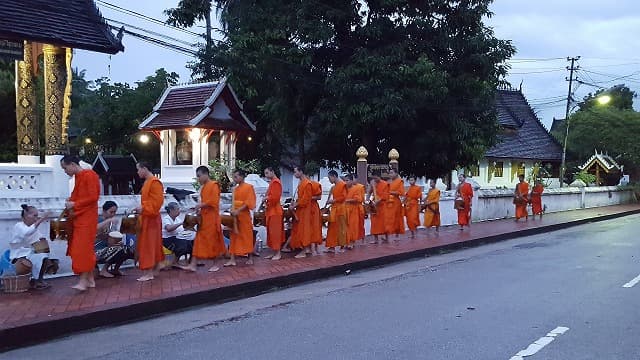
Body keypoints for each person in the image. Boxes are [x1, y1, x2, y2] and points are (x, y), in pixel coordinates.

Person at [61, 155, 100, 291]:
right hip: (79, 216)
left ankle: (83, 281)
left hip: (87, 218)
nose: (65, 171)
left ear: (72, 164)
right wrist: (71, 201)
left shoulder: (89, 175)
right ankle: (90, 279)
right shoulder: (78, 177)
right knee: (81, 249)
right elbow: (78, 195)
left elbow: (93, 197)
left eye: (65, 168)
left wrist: (75, 204)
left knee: (82, 250)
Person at [182, 166, 225, 272]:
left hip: (212, 218)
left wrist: (200, 205)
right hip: (203, 218)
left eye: (199, 176)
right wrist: (198, 209)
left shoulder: (214, 185)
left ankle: (216, 264)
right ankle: (193, 264)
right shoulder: (204, 187)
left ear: (206, 174)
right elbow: (204, 202)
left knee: (213, 241)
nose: (198, 179)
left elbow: (214, 202)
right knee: (198, 241)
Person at [133, 161, 165, 282]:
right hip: (147, 217)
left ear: (144, 168)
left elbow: (157, 202)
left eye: (138, 169)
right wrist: (142, 208)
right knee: (152, 244)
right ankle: (156, 268)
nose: (137, 172)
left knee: (149, 245)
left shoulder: (155, 182)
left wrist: (143, 208)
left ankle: (149, 272)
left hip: (152, 219)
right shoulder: (147, 182)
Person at [10, 205, 52, 289]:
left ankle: (38, 280)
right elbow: (27, 232)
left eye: (37, 216)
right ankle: (35, 280)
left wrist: (42, 243)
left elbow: (39, 240)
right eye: (34, 215)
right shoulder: (19, 226)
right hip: (19, 256)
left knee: (44, 258)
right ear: (26, 215)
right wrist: (41, 219)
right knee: (37, 259)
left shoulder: (33, 228)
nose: (36, 218)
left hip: (30, 253)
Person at [225, 169, 256, 266]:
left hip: (244, 216)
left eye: (236, 177)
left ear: (242, 177)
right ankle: (232, 259)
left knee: (247, 236)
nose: (234, 179)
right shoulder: (235, 189)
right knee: (233, 237)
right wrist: (232, 210)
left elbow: (249, 202)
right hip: (235, 216)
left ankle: (250, 257)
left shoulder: (249, 187)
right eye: (234, 177)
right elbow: (233, 203)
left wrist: (238, 210)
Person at [95, 201, 134, 278]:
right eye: (111, 212)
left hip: (108, 248)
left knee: (126, 249)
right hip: (97, 250)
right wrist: (107, 222)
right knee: (118, 249)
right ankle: (104, 270)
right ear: (104, 211)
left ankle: (115, 269)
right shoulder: (99, 220)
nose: (113, 214)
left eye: (114, 212)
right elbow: (95, 230)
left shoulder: (112, 223)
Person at [290, 166, 314, 258]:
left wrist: (295, 205)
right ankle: (306, 248)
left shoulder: (307, 183)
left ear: (301, 172)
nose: (294, 174)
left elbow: (306, 199)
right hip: (301, 209)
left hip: (305, 210)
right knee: (300, 229)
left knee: (304, 230)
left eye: (295, 172)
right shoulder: (301, 183)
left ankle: (304, 250)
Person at [162, 202, 194, 267]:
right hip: (168, 240)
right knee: (183, 243)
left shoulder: (177, 219)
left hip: (177, 238)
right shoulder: (166, 219)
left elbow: (183, 228)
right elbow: (169, 228)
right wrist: (180, 223)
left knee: (192, 241)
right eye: (177, 209)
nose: (179, 211)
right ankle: (175, 262)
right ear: (171, 210)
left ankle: (191, 262)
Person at [263, 167, 285, 260]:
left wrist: (266, 198)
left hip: (275, 211)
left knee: (275, 233)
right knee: (271, 233)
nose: (266, 176)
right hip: (271, 210)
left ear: (272, 171)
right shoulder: (272, 182)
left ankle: (278, 253)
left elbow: (275, 197)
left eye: (267, 173)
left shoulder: (276, 182)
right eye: (265, 174)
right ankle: (273, 252)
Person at [325, 170, 348, 253]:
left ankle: (342, 246)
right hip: (334, 209)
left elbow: (344, 197)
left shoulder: (342, 185)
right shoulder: (334, 187)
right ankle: (331, 246)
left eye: (329, 178)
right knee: (331, 228)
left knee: (341, 228)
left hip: (341, 209)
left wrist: (333, 200)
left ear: (334, 176)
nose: (329, 180)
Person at [369, 172, 389, 244]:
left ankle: (386, 238)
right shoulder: (373, 184)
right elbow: (369, 192)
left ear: (379, 177)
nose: (374, 179)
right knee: (374, 223)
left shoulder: (385, 184)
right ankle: (376, 239)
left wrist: (377, 201)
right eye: (373, 178)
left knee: (384, 223)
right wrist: (372, 186)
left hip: (382, 206)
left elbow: (385, 195)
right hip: (375, 206)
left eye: (375, 178)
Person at [344, 174, 365, 246]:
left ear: (352, 180)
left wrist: (349, 200)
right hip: (345, 210)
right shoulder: (344, 188)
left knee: (353, 226)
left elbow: (360, 199)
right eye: (345, 180)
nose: (346, 182)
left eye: (347, 180)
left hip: (355, 209)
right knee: (346, 226)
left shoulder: (358, 188)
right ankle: (347, 241)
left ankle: (353, 241)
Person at [386, 168, 406, 238]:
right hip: (388, 202)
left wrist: (390, 192)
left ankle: (396, 235)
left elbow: (401, 193)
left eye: (392, 173)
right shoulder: (389, 182)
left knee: (396, 218)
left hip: (396, 202)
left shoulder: (399, 181)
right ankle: (388, 235)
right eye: (389, 173)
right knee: (388, 218)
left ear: (396, 174)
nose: (390, 175)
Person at [310, 178, 323, 255]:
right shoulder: (301, 184)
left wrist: (309, 197)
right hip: (306, 208)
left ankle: (315, 248)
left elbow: (319, 197)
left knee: (316, 227)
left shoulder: (314, 184)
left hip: (314, 208)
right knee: (310, 228)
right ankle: (311, 248)